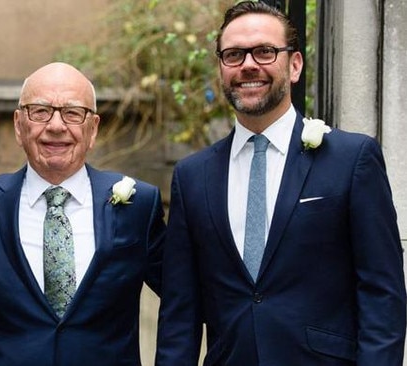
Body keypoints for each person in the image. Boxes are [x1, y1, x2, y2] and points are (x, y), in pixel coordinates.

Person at [156, 2, 406, 365]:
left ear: (295, 65)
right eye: (233, 55)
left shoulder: (352, 159)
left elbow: (382, 295)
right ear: (221, 68)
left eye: (264, 51)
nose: (248, 65)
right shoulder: (193, 176)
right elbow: (180, 312)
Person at [0, 61, 166, 366]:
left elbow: (184, 299)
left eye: (73, 113)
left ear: (93, 128)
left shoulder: (139, 205)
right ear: (19, 125)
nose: (56, 126)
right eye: (40, 111)